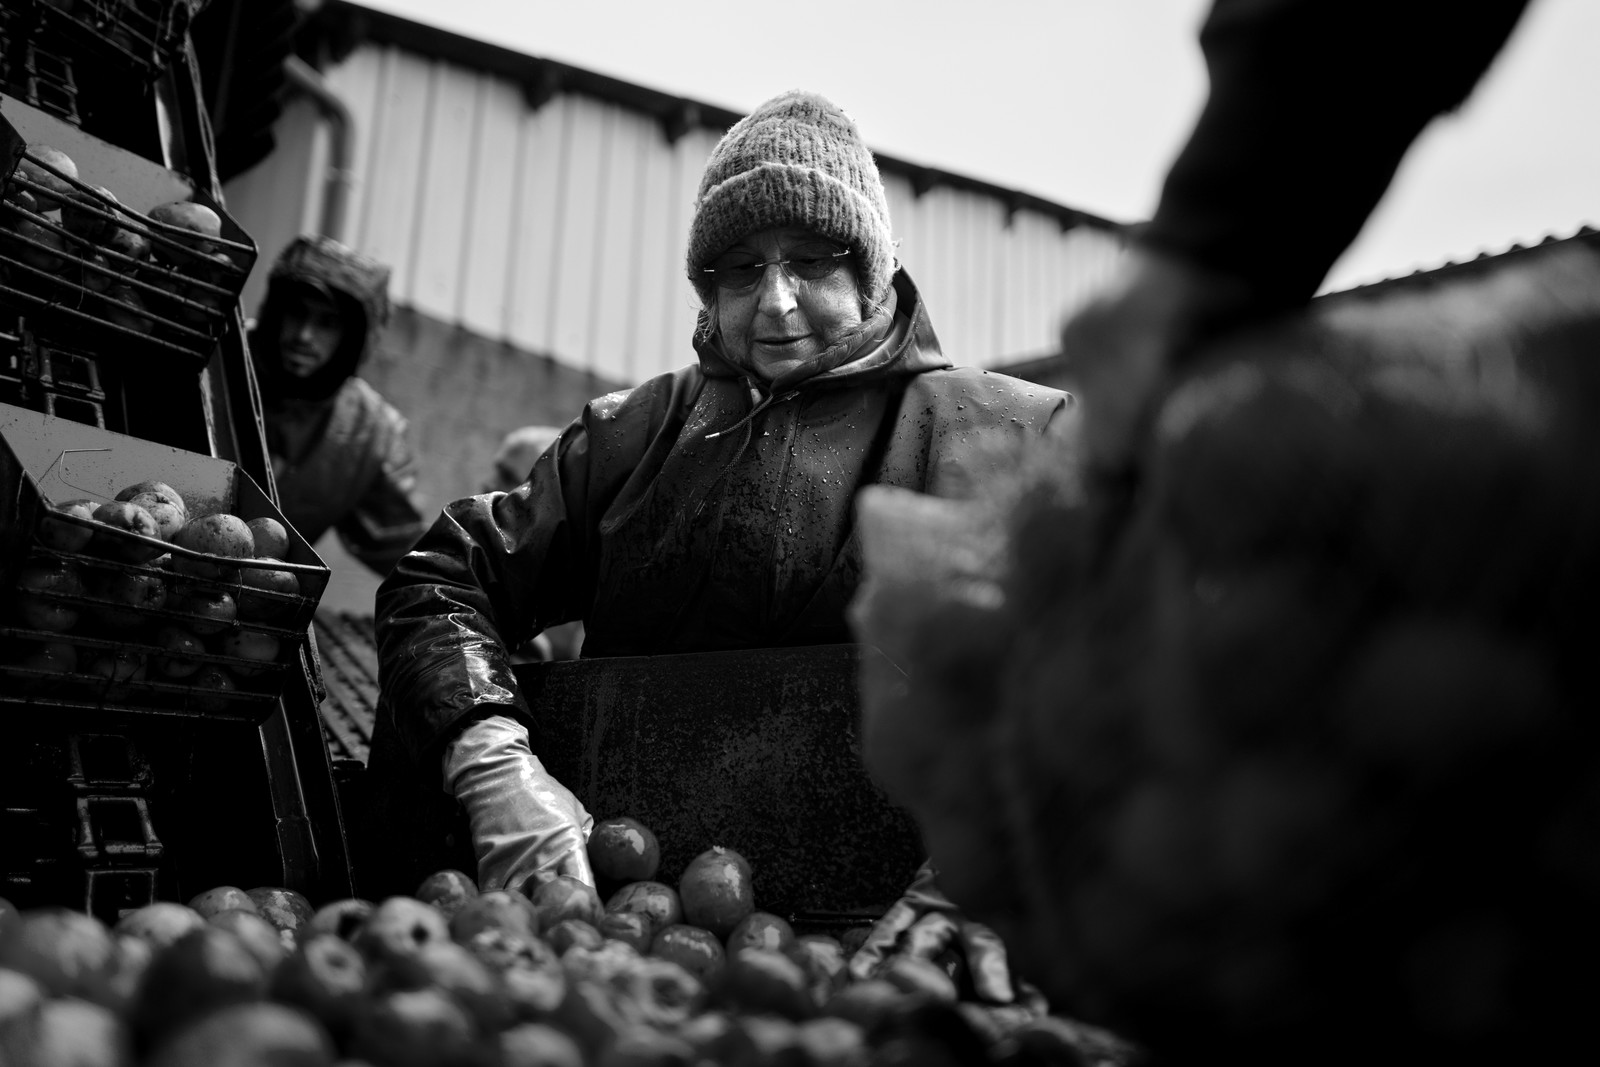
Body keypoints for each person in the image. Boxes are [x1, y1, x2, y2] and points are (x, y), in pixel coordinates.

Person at [369, 90, 1073, 998]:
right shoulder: (627, 439)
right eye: (741, 271)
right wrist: (491, 760)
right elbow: (441, 578)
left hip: (915, 948)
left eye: (811, 262)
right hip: (625, 935)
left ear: (872, 270)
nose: (776, 304)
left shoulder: (1013, 435)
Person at [248, 235, 429, 576]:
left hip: (256, 601)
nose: (304, 335)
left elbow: (409, 553)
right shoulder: (219, 352)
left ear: (353, 340)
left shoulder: (371, 432)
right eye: (297, 313)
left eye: (327, 323)